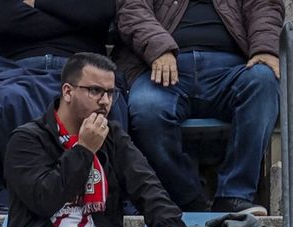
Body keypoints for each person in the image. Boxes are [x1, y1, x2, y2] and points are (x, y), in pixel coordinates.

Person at [0, 51, 189, 227]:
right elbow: (43, 199)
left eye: (110, 93)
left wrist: (170, 224)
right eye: (95, 91)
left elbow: (146, 184)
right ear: (68, 91)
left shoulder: (112, 136)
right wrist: (84, 149)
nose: (105, 102)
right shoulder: (28, 139)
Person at [116, 0, 283, 214]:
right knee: (147, 109)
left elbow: (265, 5)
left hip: (232, 68)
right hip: (162, 67)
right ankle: (186, 198)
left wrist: (265, 48)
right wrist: (159, 48)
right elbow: (132, 8)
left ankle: (234, 195)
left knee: (264, 82)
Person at [0, 0, 117, 211]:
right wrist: (74, 20)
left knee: (102, 99)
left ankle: (91, 189)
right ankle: (23, 190)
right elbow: (0, 19)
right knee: (9, 99)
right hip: (15, 65)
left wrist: (35, 3)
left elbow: (98, 12)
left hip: (82, 65)